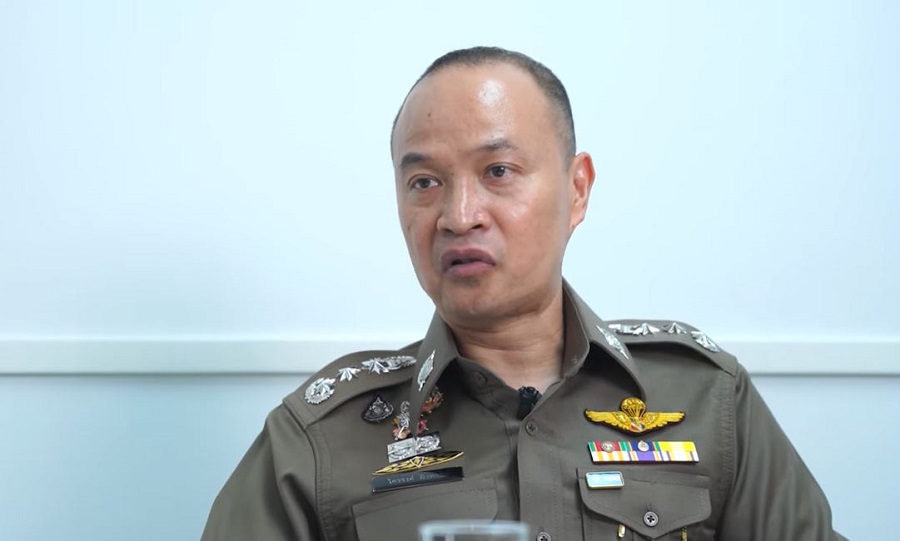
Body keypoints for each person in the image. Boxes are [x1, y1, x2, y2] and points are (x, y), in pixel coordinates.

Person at [202, 46, 846, 541]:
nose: (459, 215)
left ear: (577, 189)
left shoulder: (707, 401)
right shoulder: (322, 439)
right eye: (424, 182)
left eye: (498, 171)